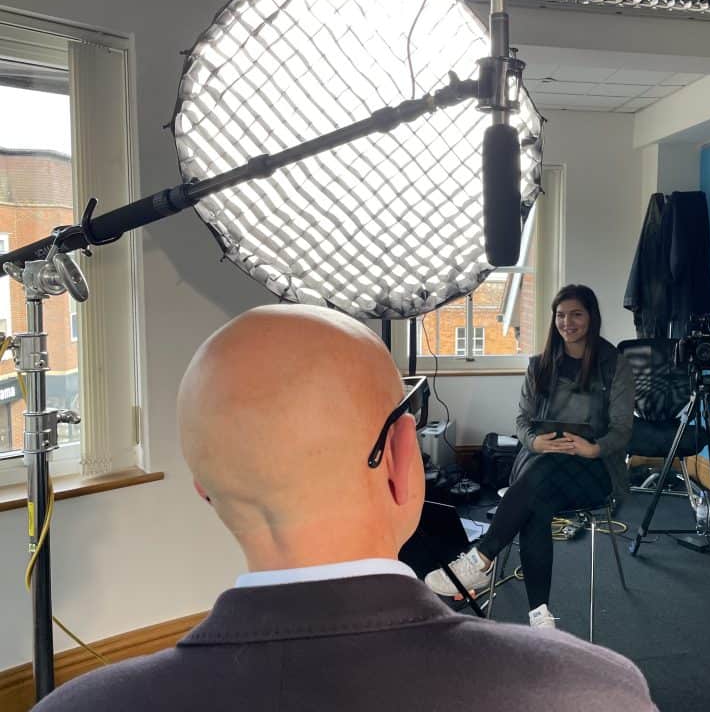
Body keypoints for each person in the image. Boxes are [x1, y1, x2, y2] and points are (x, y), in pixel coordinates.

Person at [34, 304, 656, 712]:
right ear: (401, 460)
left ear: (205, 491)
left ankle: (485, 557)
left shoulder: (71, 708)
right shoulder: (592, 693)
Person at [426, 284, 635, 629]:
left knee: (537, 489)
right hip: (541, 462)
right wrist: (536, 443)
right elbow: (521, 422)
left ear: (592, 318)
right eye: (561, 315)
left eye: (576, 314)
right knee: (539, 493)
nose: (567, 322)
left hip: (594, 469)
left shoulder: (615, 366)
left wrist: (592, 447)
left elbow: (623, 429)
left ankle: (481, 558)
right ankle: (540, 617)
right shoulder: (540, 365)